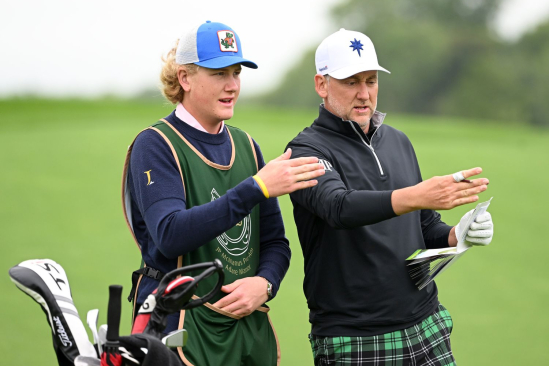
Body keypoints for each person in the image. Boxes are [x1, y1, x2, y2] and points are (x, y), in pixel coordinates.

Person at [121, 21, 325, 366]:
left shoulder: (246, 145)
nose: (232, 85)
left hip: (246, 328)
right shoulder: (155, 144)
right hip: (176, 328)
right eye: (218, 73)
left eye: (236, 73)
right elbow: (170, 234)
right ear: (184, 78)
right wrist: (257, 187)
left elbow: (275, 243)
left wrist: (265, 283)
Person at [286, 28, 494, 365]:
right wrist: (417, 195)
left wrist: (458, 234)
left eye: (371, 81)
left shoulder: (398, 141)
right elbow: (338, 207)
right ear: (321, 85)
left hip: (427, 323)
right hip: (354, 338)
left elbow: (424, 226)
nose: (364, 93)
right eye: (351, 82)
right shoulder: (305, 151)